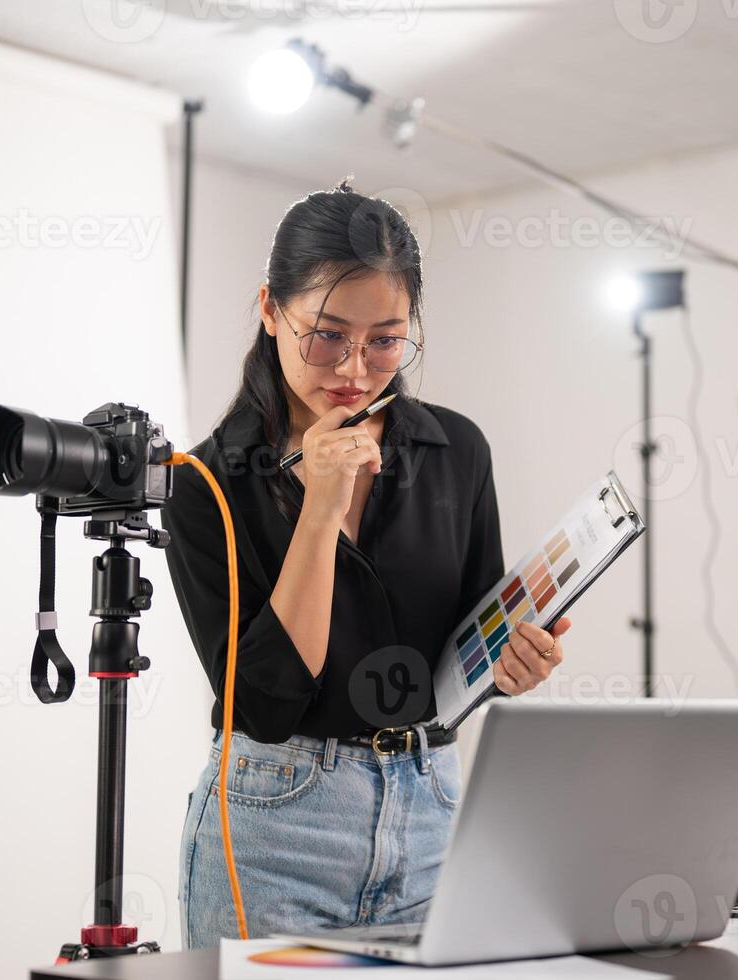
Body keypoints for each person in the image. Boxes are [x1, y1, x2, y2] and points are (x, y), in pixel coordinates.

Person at [162, 181, 573, 947]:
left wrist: (511, 661)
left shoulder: (456, 451)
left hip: (431, 811)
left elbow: (457, 662)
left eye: (385, 339)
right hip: (276, 826)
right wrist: (319, 507)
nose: (355, 367)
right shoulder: (206, 484)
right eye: (326, 335)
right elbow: (267, 703)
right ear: (268, 310)